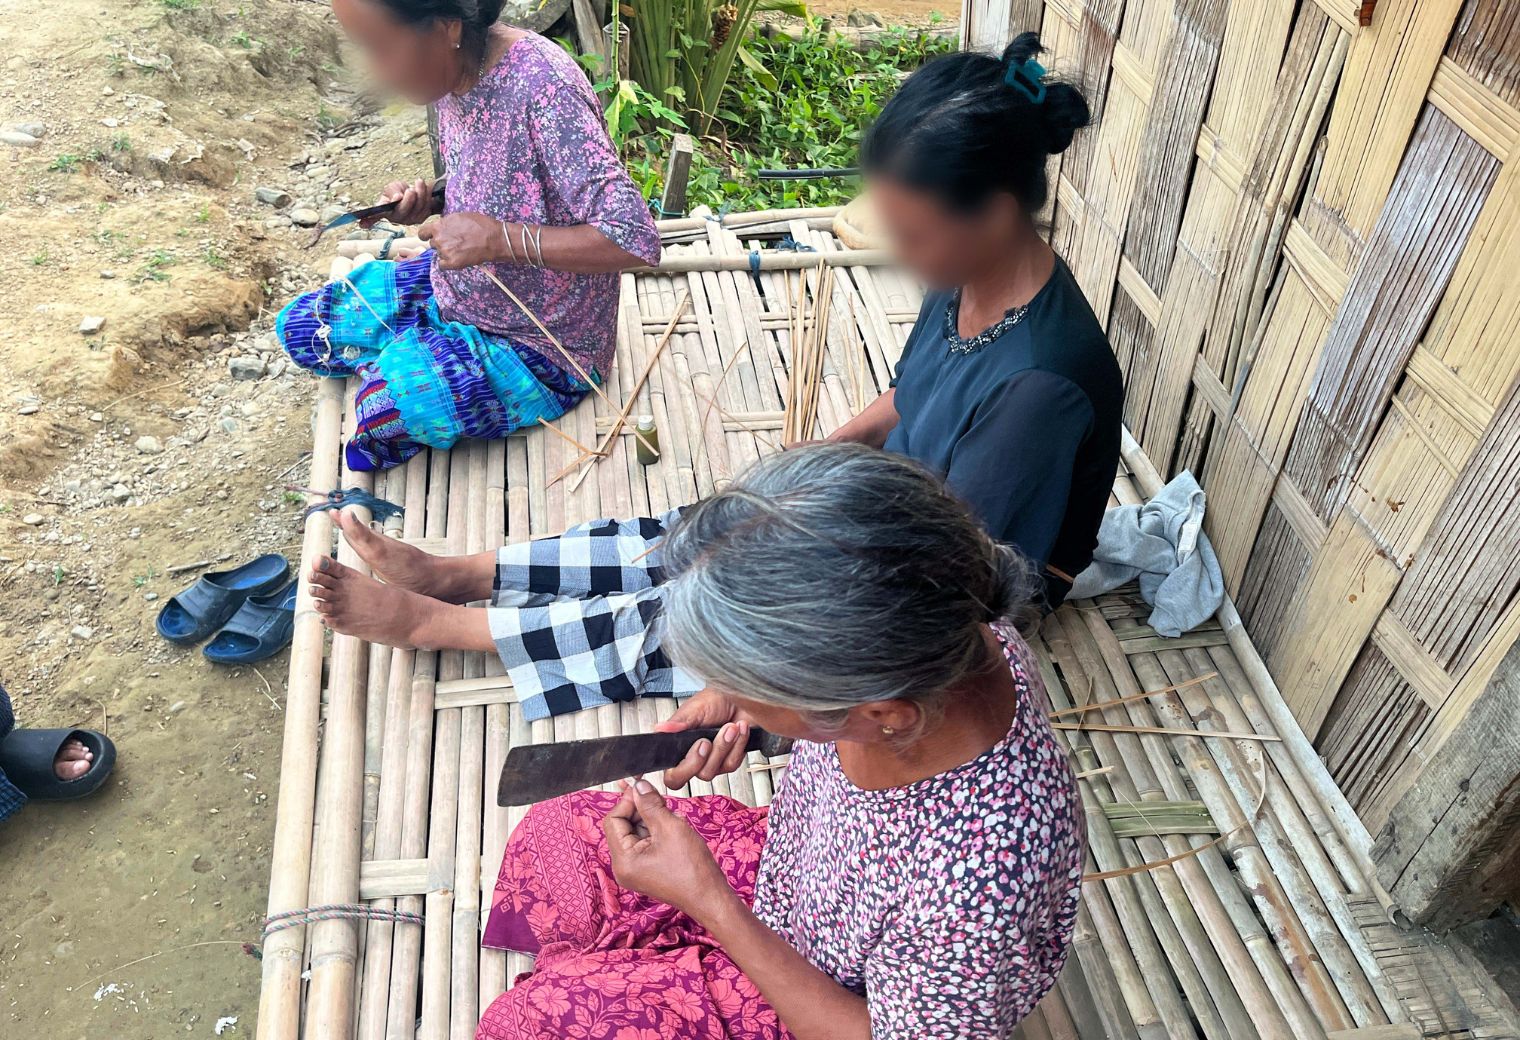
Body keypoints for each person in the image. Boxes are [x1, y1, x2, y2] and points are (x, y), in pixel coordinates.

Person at [305, 32, 1120, 721]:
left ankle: (442, 626)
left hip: (942, 589)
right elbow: (910, 395)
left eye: (911, 232)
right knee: (704, 526)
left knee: (719, 610)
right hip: (900, 510)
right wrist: (804, 469)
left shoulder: (1040, 389)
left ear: (994, 213)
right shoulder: (972, 271)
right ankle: (462, 576)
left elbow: (961, 592)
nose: (899, 253)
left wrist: (747, 669)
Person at [474, 445, 1085, 1040]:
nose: (733, 689)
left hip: (833, 998)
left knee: (525, 1024)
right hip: (800, 870)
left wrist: (709, 900)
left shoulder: (980, 882)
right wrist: (740, 703)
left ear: (879, 713)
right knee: (553, 834)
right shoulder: (940, 621)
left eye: (754, 683)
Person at [277, 0, 660, 470]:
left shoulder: (545, 89)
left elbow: (634, 238)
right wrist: (432, 199)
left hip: (544, 343)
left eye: (383, 48)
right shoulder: (451, 73)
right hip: (457, 288)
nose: (375, 71)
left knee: (381, 411)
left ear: (447, 27)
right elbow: (498, 174)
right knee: (302, 329)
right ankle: (422, 351)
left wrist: (498, 240)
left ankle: (416, 357)